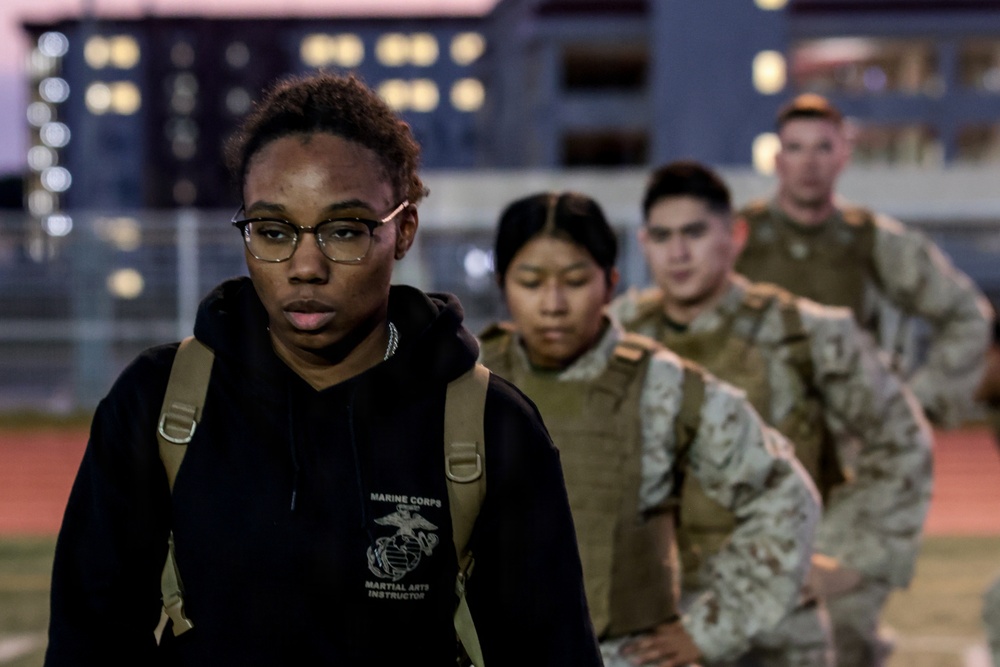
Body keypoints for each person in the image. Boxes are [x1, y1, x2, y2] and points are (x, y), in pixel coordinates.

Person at [44, 72, 604, 666]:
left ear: (403, 230)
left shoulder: (490, 426)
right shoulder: (159, 402)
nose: (305, 266)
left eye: (344, 231)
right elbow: (89, 640)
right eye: (273, 230)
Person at [608, 160, 935, 667]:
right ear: (644, 242)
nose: (678, 253)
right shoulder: (616, 338)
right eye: (662, 235)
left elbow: (902, 441)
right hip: (658, 618)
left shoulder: (805, 333)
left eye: (694, 232)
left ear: (735, 235)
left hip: (780, 623)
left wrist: (845, 560)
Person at [478, 191, 821, 667]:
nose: (552, 305)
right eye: (531, 282)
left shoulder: (662, 385)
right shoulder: (463, 382)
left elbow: (785, 494)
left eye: (575, 281)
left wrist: (711, 630)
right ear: (503, 285)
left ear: (611, 285)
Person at [734, 92, 993, 428]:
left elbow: (967, 315)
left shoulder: (873, 241)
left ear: (844, 156)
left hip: (848, 436)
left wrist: (919, 402)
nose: (809, 162)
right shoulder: (736, 237)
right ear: (778, 160)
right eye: (795, 148)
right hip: (754, 433)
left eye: (824, 148)